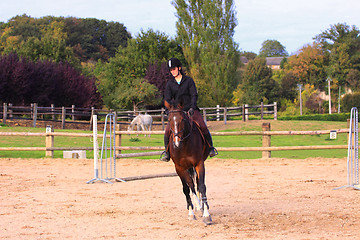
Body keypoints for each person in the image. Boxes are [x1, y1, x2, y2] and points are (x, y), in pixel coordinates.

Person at [160, 57, 217, 162]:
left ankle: (211, 148)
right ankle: (167, 152)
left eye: (174, 69)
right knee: (168, 130)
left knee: (203, 126)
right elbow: (167, 98)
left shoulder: (189, 81)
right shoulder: (170, 84)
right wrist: (169, 111)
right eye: (171, 70)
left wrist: (192, 107)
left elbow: (194, 95)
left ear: (179, 68)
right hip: (177, 112)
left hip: (190, 110)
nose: (172, 71)